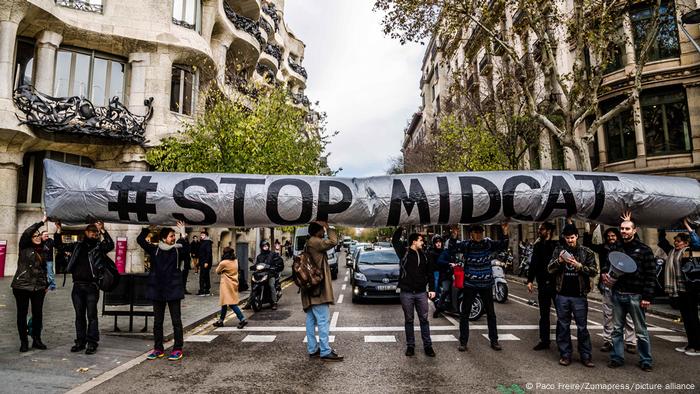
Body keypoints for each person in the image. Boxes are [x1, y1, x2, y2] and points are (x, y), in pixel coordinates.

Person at [447, 223, 509, 352]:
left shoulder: (488, 243)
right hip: (470, 285)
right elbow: (452, 249)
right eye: (476, 232)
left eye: (481, 232)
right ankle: (463, 342)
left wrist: (505, 232)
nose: (479, 235)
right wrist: (454, 235)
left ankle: (494, 340)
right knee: (465, 313)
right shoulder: (467, 245)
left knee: (491, 314)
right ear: (471, 234)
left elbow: (503, 244)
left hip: (486, 284)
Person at [606, 213, 656, 372]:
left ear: (634, 231)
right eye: (622, 228)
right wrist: (606, 276)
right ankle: (617, 358)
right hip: (618, 294)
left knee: (640, 331)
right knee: (616, 329)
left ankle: (646, 360)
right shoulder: (616, 248)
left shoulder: (644, 250)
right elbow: (608, 265)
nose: (624, 231)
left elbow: (650, 275)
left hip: (636, 296)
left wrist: (647, 296)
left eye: (627, 228)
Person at [56, 221, 114, 355]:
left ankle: (92, 342)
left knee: (92, 315)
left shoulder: (99, 247)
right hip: (77, 287)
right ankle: (80, 341)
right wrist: (59, 230)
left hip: (92, 287)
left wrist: (103, 230)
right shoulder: (77, 246)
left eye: (96, 232)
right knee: (79, 315)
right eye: (91, 231)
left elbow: (110, 245)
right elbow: (59, 246)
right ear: (86, 232)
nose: (94, 233)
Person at [138, 221, 189, 361]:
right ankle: (158, 349)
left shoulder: (177, 250)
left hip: (173, 290)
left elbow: (186, 249)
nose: (173, 238)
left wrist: (183, 233)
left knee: (176, 321)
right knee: (157, 322)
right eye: (171, 236)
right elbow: (140, 240)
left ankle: (178, 348)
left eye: (174, 236)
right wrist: (148, 228)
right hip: (158, 290)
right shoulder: (155, 250)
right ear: (163, 238)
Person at [548, 224, 597, 367]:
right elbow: (550, 269)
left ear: (577, 236)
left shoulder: (586, 252)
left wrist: (579, 265)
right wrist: (559, 261)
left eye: (572, 237)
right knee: (563, 326)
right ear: (564, 238)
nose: (570, 240)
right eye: (567, 238)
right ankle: (565, 355)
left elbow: (594, 271)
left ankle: (586, 356)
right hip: (562, 295)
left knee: (582, 327)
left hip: (579, 296)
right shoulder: (559, 250)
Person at [584, 227, 637, 353]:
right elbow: (588, 245)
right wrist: (590, 230)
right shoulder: (604, 248)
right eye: (608, 236)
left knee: (628, 314)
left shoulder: (624, 247)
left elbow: (635, 241)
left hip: (623, 285)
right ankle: (608, 340)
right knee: (608, 314)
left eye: (613, 236)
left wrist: (629, 224)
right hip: (607, 284)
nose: (610, 238)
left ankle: (631, 341)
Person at [392, 227, 436, 357]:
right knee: (409, 320)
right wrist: (401, 227)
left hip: (421, 293)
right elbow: (395, 240)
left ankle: (428, 346)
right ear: (413, 242)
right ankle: (410, 346)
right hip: (406, 293)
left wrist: (432, 289)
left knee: (424, 319)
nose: (423, 243)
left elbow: (430, 273)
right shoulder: (403, 253)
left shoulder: (425, 255)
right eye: (420, 240)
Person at [302, 221, 343, 362]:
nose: (323, 232)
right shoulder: (315, 241)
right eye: (322, 230)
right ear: (317, 231)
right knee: (324, 320)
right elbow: (333, 241)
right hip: (318, 290)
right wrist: (328, 227)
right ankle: (325, 351)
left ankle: (313, 349)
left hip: (310, 289)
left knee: (311, 321)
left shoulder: (309, 242)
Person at [659, 218, 699, 356]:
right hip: (679, 291)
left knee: (692, 318)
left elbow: (697, 243)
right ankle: (690, 343)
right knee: (686, 319)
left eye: (679, 241)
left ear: (686, 243)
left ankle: (697, 346)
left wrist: (688, 227)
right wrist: (662, 225)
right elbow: (662, 241)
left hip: (689, 290)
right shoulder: (672, 252)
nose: (676, 242)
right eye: (675, 240)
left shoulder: (689, 252)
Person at [11, 217, 52, 352]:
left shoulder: (44, 249)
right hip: (22, 286)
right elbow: (27, 233)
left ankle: (37, 339)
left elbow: (44, 269)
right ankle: (24, 342)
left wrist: (46, 284)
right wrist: (41, 221)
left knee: (38, 314)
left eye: (38, 235)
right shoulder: (24, 247)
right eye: (34, 236)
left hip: (38, 287)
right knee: (21, 314)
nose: (37, 237)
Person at [526, 221, 558, 351]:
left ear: (549, 231)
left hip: (557, 285)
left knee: (561, 314)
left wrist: (569, 222)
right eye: (539, 229)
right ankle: (544, 340)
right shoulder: (538, 245)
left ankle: (562, 340)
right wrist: (530, 280)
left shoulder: (557, 244)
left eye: (542, 229)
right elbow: (534, 263)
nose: (539, 231)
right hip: (543, 284)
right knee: (544, 315)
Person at [213, 247, 248, 329]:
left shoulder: (223, 263)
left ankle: (242, 319)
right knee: (224, 303)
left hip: (226, 285)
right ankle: (221, 321)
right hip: (234, 283)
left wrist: (222, 270)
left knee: (231, 304)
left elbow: (217, 271)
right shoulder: (235, 261)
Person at [254, 239, 284, 310]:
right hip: (261, 274)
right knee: (254, 284)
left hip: (271, 273)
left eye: (267, 246)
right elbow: (257, 264)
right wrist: (254, 266)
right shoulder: (259, 256)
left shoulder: (272, 254)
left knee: (271, 285)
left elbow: (278, 260)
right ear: (261, 247)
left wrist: (275, 266)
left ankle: (274, 302)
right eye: (264, 246)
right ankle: (249, 302)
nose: (266, 247)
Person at [428, 235, 449, 318]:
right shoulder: (431, 252)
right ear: (434, 243)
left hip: (445, 271)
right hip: (436, 272)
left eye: (440, 242)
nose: (438, 244)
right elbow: (430, 265)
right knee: (436, 285)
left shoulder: (444, 251)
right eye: (436, 242)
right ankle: (436, 300)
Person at [197, 231, 213, 296]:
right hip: (202, 261)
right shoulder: (203, 242)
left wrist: (206, 262)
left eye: (203, 235)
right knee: (205, 276)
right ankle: (206, 290)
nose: (201, 236)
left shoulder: (207, 242)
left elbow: (208, 253)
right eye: (201, 235)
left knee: (203, 276)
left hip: (205, 262)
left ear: (206, 236)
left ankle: (202, 291)